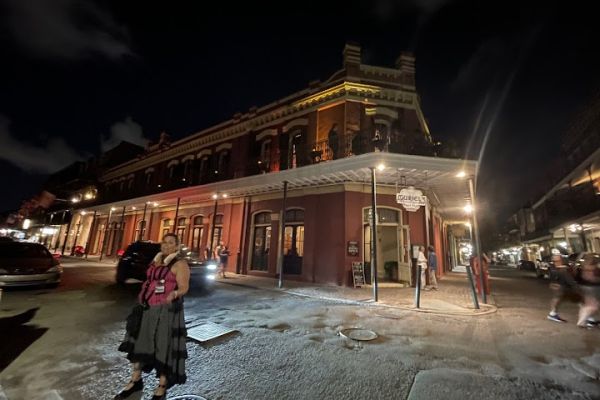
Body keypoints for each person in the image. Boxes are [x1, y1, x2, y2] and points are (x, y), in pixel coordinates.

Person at [115, 233, 190, 400]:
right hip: (146, 308)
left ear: (177, 246)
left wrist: (174, 293)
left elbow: (184, 287)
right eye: (164, 242)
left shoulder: (180, 264)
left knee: (162, 346)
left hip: (165, 311)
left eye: (171, 243)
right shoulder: (156, 260)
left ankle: (162, 386)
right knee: (140, 343)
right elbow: (150, 280)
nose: (167, 245)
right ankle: (135, 380)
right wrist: (137, 282)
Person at [547, 253, 579, 323]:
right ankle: (552, 313)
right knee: (557, 298)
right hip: (561, 286)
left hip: (561, 286)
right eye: (555, 261)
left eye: (557, 260)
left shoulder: (558, 268)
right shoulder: (560, 269)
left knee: (557, 298)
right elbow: (569, 279)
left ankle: (553, 313)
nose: (556, 262)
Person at [576, 253, 600, 328]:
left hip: (583, 286)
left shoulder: (582, 265)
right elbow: (594, 278)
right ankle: (581, 321)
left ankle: (586, 320)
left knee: (586, 305)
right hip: (592, 287)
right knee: (593, 306)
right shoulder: (593, 266)